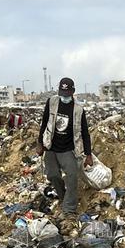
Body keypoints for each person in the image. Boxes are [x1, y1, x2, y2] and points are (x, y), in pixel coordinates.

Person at [36, 77, 92, 219]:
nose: (64, 97)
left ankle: (69, 209)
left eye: (67, 94)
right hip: (51, 147)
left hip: (68, 149)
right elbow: (44, 122)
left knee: (72, 176)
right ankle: (63, 197)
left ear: (73, 91)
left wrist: (88, 154)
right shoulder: (52, 102)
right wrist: (39, 143)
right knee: (53, 175)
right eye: (62, 93)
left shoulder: (78, 110)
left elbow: (85, 133)